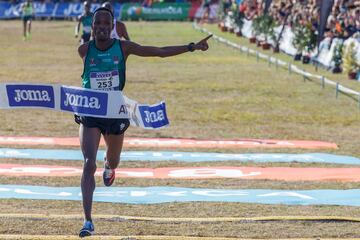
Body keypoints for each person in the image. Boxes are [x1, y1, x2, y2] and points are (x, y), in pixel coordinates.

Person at [77, 7, 212, 238]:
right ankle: (87, 220)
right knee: (89, 163)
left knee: (113, 159)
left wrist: (191, 47)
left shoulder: (123, 47)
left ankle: (109, 166)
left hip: (116, 113)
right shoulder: (83, 50)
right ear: (92, 26)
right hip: (90, 113)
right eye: (97, 23)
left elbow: (158, 51)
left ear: (113, 28)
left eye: (105, 24)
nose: (101, 27)